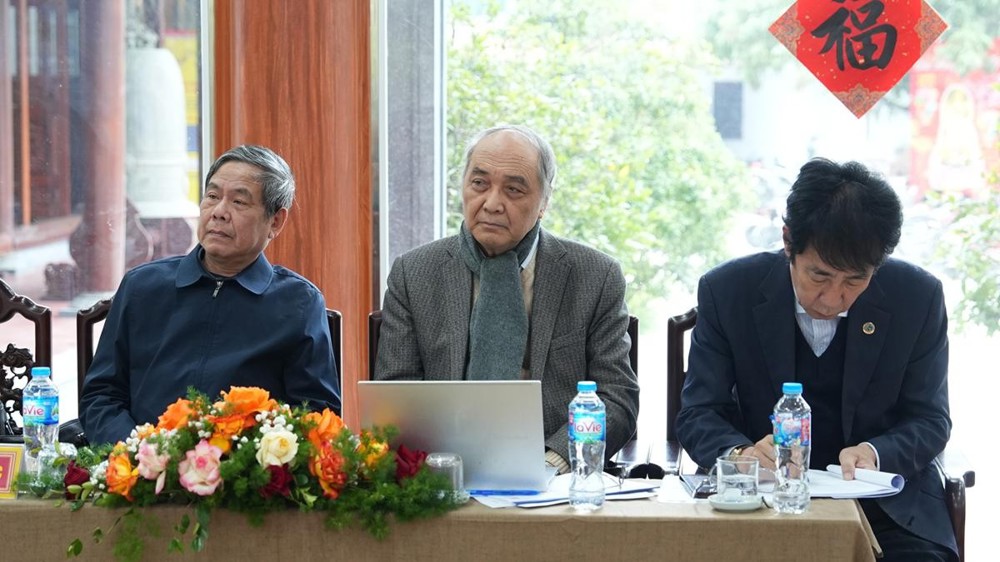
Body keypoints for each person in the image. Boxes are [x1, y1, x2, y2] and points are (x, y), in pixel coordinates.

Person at [676, 158, 956, 560]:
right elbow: (698, 412)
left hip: (886, 507)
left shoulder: (916, 297)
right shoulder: (728, 290)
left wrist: (876, 453)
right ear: (788, 241)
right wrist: (741, 455)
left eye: (855, 281)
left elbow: (930, 418)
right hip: (763, 498)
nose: (833, 299)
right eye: (819, 276)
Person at [374, 124, 639, 471]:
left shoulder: (595, 277)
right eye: (479, 184)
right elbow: (395, 394)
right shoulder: (414, 273)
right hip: (440, 473)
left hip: (554, 473)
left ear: (544, 203)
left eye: (514, 190)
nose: (492, 204)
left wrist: (552, 463)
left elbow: (616, 399)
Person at [81, 145, 341, 445]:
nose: (219, 212)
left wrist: (248, 459)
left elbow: (315, 415)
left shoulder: (298, 303)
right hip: (142, 463)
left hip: (243, 469)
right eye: (213, 196)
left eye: (239, 201)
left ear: (275, 221)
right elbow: (101, 396)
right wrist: (141, 451)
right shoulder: (142, 287)